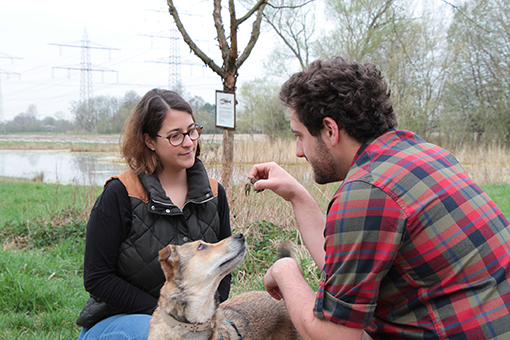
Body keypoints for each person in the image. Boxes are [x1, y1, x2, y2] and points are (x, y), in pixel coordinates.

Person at [249, 57, 510, 340]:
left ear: (330, 130)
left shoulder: (367, 191)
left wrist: (286, 272)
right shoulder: (427, 154)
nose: (299, 151)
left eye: (300, 136)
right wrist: (297, 196)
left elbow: (334, 336)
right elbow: (348, 270)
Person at [76, 89, 232, 340]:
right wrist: (166, 316)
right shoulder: (120, 194)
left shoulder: (214, 194)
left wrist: (201, 318)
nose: (189, 142)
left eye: (192, 131)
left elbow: (223, 266)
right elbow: (98, 278)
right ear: (149, 141)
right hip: (121, 324)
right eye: (175, 136)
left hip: (193, 324)